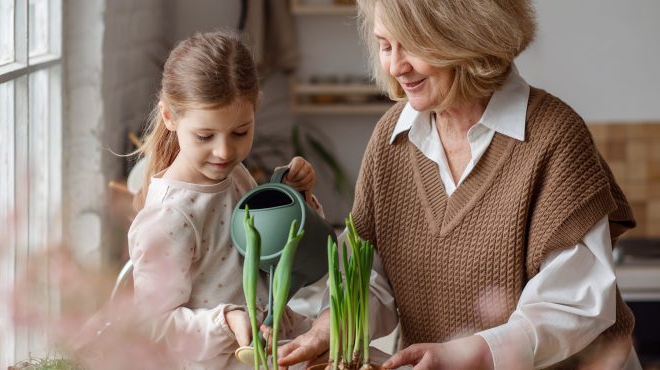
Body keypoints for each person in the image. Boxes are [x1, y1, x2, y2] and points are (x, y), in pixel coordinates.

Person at [277, 1, 642, 369]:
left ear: (467, 36)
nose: (395, 66)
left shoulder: (553, 137)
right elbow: (371, 278)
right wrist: (332, 326)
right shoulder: (392, 138)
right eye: (386, 46)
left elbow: (575, 304)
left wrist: (474, 353)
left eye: (414, 46)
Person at [128, 31, 318, 369]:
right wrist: (226, 320)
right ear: (171, 117)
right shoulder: (169, 216)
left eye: (240, 132)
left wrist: (293, 197)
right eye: (205, 136)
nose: (225, 151)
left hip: (269, 349)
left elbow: (266, 254)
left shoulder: (235, 174)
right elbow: (153, 327)